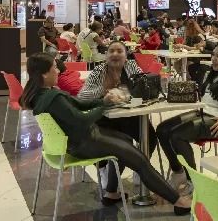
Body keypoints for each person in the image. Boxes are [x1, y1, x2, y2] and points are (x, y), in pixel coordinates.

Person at [21, 52, 191, 215]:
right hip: (84, 143)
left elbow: (80, 104)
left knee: (126, 140)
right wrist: (103, 107)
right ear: (44, 74)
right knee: (140, 161)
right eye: (54, 67)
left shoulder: (40, 96)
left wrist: (103, 101)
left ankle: (111, 192)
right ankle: (178, 201)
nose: (58, 70)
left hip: (75, 142)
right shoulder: (54, 98)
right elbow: (82, 120)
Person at [157, 42, 218, 193]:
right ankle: (178, 172)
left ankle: (193, 180)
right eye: (213, 55)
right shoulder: (215, 74)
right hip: (204, 113)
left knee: (177, 136)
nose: (214, 59)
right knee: (162, 129)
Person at [77, 41, 161, 194]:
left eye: (119, 51)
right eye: (111, 51)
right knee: (121, 143)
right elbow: (82, 96)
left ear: (126, 56)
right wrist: (103, 91)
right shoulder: (99, 71)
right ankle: (103, 169)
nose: (115, 54)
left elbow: (142, 88)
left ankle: (140, 168)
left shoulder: (132, 67)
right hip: (106, 118)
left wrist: (135, 94)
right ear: (106, 55)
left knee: (150, 137)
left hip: (130, 115)